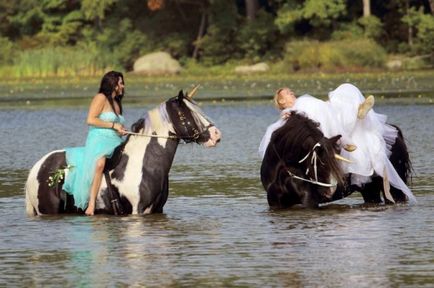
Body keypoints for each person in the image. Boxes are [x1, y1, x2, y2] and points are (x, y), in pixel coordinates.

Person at [62, 71, 128, 215]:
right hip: (99, 139)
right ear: (113, 84)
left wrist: (120, 130)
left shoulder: (117, 103)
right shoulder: (100, 98)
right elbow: (91, 120)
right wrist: (113, 126)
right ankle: (91, 204)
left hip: (115, 139)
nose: (123, 86)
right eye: (121, 83)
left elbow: (116, 125)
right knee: (100, 164)